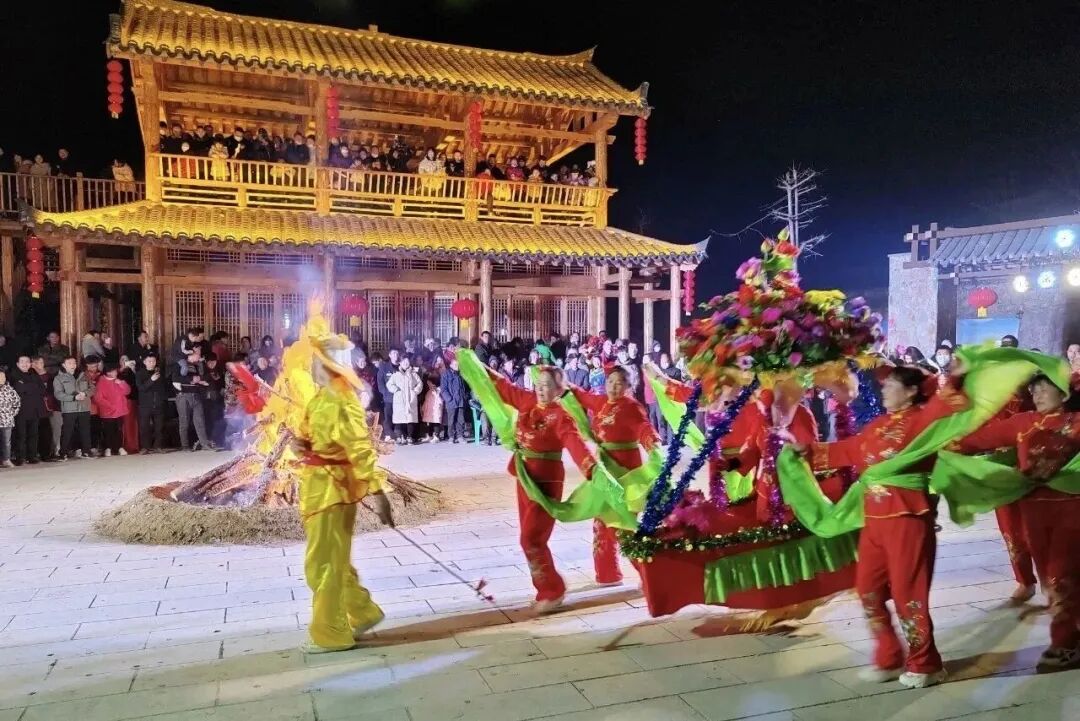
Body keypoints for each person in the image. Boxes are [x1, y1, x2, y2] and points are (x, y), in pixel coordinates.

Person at [792, 364, 967, 689]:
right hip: (874, 519)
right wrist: (809, 451)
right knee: (868, 590)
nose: (883, 390)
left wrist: (958, 375)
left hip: (907, 519)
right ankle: (889, 655)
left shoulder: (923, 421)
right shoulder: (879, 425)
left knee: (907, 594)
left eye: (891, 385)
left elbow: (948, 401)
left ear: (911, 391)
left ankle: (926, 663)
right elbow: (851, 449)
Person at [952, 373, 1080, 669]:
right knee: (1050, 579)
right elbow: (975, 440)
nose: (1038, 394)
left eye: (1045, 388)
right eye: (1034, 390)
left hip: (1072, 510)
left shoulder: (1075, 422)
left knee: (1060, 577)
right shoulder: (1023, 423)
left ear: (1064, 394)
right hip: (1033, 511)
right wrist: (939, 442)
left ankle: (1064, 645)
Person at [294, 323, 394, 653]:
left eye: (315, 360)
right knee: (333, 559)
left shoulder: (343, 399)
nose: (310, 365)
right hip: (317, 486)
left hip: (334, 490)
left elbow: (360, 448)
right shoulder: (320, 397)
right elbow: (309, 436)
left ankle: (331, 632)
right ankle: (362, 611)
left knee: (322, 564)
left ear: (326, 363)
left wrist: (378, 493)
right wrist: (301, 444)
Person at [483, 364, 600, 612]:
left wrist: (591, 468)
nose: (541, 389)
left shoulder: (561, 416)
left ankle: (553, 590)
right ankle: (545, 589)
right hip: (525, 475)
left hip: (546, 480)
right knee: (529, 536)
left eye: (547, 386)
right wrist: (479, 367)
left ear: (558, 390)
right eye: (539, 384)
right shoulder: (527, 400)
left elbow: (574, 443)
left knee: (531, 538)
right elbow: (505, 388)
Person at [567, 365, 659, 585]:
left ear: (628, 385)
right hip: (605, 470)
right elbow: (581, 395)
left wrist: (653, 444)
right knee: (601, 523)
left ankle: (650, 576)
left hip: (626, 471)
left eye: (619, 383)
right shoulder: (601, 402)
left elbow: (644, 428)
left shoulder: (632, 407)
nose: (613, 387)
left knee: (623, 525)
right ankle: (608, 575)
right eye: (610, 382)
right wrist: (561, 382)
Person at [170, 348, 214, 451]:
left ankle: (204, 443)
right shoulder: (179, 365)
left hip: (196, 395)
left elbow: (200, 378)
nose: (200, 356)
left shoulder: (196, 366)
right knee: (184, 421)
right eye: (198, 353)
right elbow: (175, 379)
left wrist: (201, 381)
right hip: (183, 395)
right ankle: (185, 446)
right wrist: (191, 379)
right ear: (191, 353)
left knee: (200, 420)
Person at [54, 356, 95, 460]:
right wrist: (73, 397)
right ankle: (63, 453)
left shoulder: (84, 375)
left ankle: (86, 451)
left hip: (84, 407)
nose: (73, 365)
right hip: (69, 409)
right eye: (69, 363)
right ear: (64, 365)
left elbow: (92, 388)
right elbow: (58, 394)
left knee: (85, 430)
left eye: (74, 363)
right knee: (67, 431)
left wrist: (85, 394)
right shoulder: (59, 378)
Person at [11, 355, 46, 465]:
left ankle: (32, 456)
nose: (25, 364)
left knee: (33, 434)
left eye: (27, 362)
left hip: (35, 409)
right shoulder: (13, 375)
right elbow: (18, 389)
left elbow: (42, 389)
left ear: (30, 364)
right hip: (21, 410)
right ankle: (20, 457)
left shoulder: (34, 374)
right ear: (17, 364)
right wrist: (32, 387)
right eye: (22, 362)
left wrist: (27, 387)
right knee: (21, 435)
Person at [94, 363, 131, 457]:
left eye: (115, 371)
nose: (115, 373)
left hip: (120, 411)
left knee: (119, 430)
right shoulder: (101, 381)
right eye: (113, 371)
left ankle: (119, 447)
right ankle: (108, 448)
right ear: (107, 372)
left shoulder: (118, 380)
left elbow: (127, 391)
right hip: (107, 412)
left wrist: (121, 383)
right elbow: (98, 398)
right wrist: (110, 406)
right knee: (108, 430)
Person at [135, 354, 167, 454]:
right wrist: (151, 380)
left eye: (154, 361)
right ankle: (145, 447)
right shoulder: (140, 374)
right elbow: (141, 388)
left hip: (158, 403)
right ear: (144, 362)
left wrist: (162, 399)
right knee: (144, 427)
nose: (152, 363)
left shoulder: (159, 373)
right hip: (145, 405)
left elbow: (164, 387)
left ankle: (158, 446)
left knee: (159, 427)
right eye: (149, 361)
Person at [386, 357, 422, 444]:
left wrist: (415, 391)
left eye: (407, 361)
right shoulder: (396, 375)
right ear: (400, 363)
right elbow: (389, 384)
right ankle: (399, 437)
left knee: (410, 419)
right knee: (399, 419)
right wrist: (396, 390)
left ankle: (410, 437)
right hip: (400, 400)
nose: (405, 363)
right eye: (403, 361)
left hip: (410, 399)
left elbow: (420, 383)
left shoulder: (414, 374)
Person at [34, 356, 61, 460]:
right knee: (39, 431)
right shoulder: (31, 377)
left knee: (54, 431)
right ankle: (39, 453)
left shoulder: (51, 377)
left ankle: (54, 452)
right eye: (35, 363)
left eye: (40, 362)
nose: (37, 365)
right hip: (37, 408)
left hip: (52, 407)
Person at [440, 358, 467, 443]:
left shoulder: (461, 374)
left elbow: (464, 388)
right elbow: (443, 389)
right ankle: (451, 436)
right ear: (451, 365)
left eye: (458, 365)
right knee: (451, 420)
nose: (457, 366)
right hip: (451, 401)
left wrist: (464, 397)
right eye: (455, 364)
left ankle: (460, 436)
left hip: (461, 401)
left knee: (461, 420)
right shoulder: (446, 374)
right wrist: (449, 399)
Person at [376, 349, 400, 442]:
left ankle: (398, 433)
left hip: (399, 396)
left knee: (398, 415)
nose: (395, 355)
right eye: (393, 353)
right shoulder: (384, 367)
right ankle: (388, 434)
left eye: (397, 353)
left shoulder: (401, 366)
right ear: (389, 355)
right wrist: (385, 392)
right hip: (388, 396)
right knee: (388, 416)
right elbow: (380, 382)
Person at [0, 370, 20, 468]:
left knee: (6, 442)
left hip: (6, 421)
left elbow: (17, 403)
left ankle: (6, 460)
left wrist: (11, 414)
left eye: (3, 377)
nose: (2, 379)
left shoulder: (9, 389)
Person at [420, 362, 444, 442]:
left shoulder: (439, 376)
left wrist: (437, 389)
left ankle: (436, 435)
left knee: (436, 418)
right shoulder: (426, 376)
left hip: (436, 398)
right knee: (429, 418)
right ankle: (429, 435)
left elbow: (440, 386)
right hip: (428, 399)